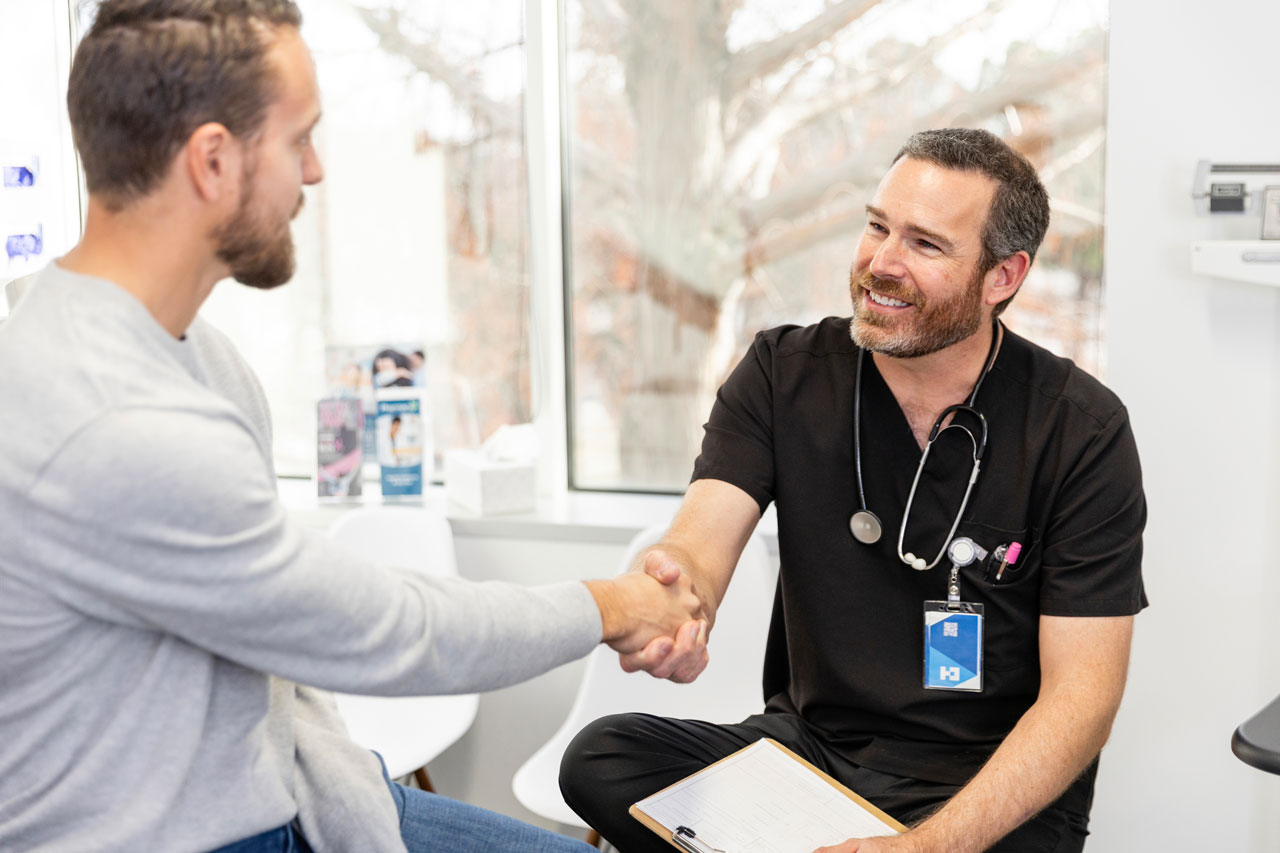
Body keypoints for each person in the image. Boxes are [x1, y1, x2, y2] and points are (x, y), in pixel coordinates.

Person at [0, 2, 707, 851]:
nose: (316, 170)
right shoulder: (115, 420)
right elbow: (390, 632)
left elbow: (294, 607)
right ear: (213, 161)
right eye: (298, 138)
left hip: (298, 786)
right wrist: (615, 603)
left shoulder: (197, 356)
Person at [559, 128, 1147, 853]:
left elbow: (1081, 699)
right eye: (877, 226)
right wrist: (678, 603)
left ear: (1003, 276)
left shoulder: (1079, 428)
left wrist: (925, 847)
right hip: (814, 755)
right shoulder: (784, 373)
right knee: (604, 758)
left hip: (982, 784)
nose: (881, 263)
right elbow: (697, 546)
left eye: (926, 245)